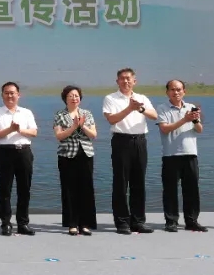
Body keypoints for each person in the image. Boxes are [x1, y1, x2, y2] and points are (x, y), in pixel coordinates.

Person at [102, 67, 158, 234]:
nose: (126, 81)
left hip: (139, 141)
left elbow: (154, 116)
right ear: (117, 81)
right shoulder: (110, 98)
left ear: (134, 81)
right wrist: (129, 108)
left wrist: (140, 108)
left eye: (129, 78)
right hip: (121, 141)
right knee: (121, 182)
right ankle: (122, 222)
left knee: (138, 182)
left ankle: (138, 221)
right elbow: (111, 119)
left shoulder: (142, 98)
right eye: (122, 78)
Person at [0, 82, 38, 236]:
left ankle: (23, 223)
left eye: (12, 93)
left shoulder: (26, 112)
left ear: (18, 95)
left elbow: (34, 132)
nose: (10, 96)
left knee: (24, 189)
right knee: (5, 189)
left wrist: (19, 129)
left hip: (24, 152)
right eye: (6, 93)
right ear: (2, 95)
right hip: (5, 152)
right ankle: (6, 223)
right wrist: (10, 129)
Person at [157, 80, 206, 232]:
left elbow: (199, 130)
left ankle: (192, 221)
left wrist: (195, 119)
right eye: (172, 89)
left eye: (179, 89)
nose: (176, 92)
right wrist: (185, 119)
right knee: (170, 190)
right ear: (167, 92)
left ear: (184, 91)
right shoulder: (162, 108)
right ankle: (171, 221)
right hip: (171, 154)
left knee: (192, 189)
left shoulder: (190, 107)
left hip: (190, 153)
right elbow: (165, 129)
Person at [53, 85, 97, 236]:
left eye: (76, 96)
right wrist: (73, 126)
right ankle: (72, 223)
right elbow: (59, 136)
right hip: (67, 155)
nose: (74, 98)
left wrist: (82, 126)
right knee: (69, 189)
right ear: (65, 98)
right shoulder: (60, 114)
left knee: (86, 189)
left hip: (86, 154)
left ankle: (85, 224)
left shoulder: (87, 113)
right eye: (70, 96)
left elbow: (93, 135)